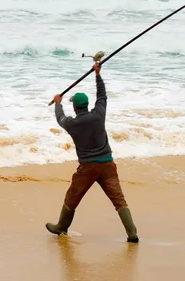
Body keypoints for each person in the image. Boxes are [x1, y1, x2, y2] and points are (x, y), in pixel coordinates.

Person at [46, 62, 139, 243]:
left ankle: (61, 227)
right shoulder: (98, 115)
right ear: (87, 105)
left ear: (75, 108)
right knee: (119, 201)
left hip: (88, 168)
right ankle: (132, 234)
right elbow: (102, 96)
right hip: (107, 165)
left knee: (72, 197)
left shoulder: (72, 124)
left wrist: (58, 103)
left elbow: (60, 118)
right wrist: (97, 75)